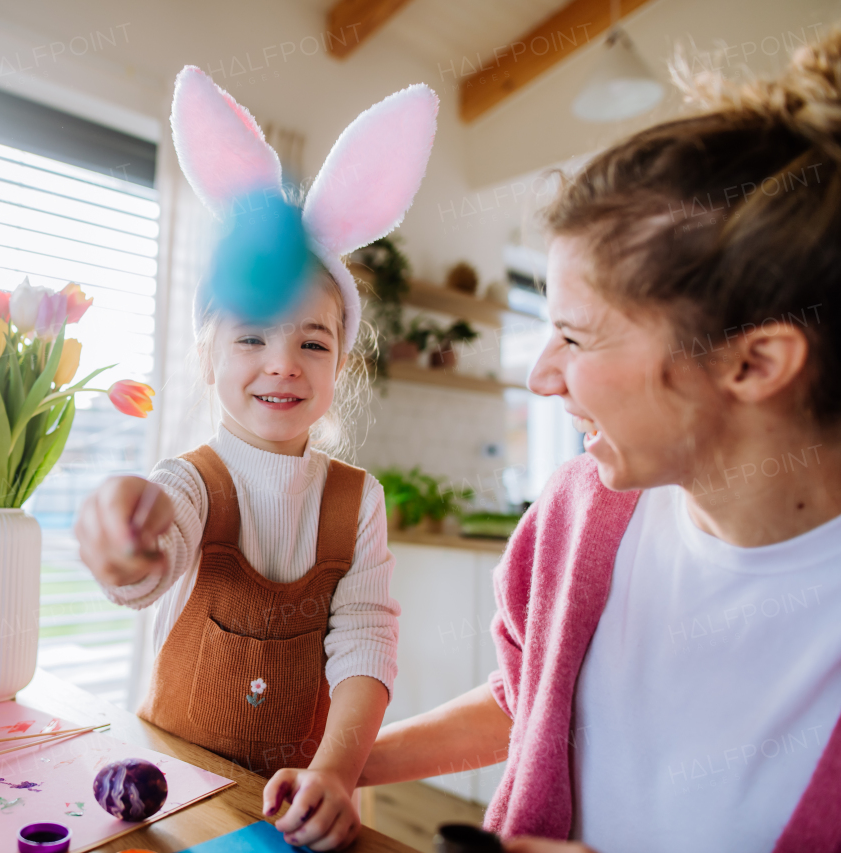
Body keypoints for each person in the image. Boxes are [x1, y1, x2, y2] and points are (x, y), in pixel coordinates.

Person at [359, 31, 841, 853]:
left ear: (754, 361)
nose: (544, 377)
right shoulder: (578, 513)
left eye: (577, 339)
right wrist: (345, 763)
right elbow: (529, 699)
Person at [75, 66, 439, 850]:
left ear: (340, 362)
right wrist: (123, 545)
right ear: (208, 358)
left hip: (302, 809)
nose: (283, 363)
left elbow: (366, 640)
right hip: (170, 791)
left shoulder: (357, 499)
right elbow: (157, 546)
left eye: (312, 342)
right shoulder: (190, 481)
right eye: (251, 338)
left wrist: (338, 772)